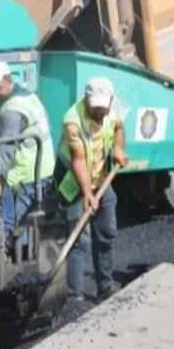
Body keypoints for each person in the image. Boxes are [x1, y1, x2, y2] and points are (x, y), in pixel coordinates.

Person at [57, 77, 128, 302]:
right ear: (86, 100)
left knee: (106, 233)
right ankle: (74, 297)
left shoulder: (112, 109)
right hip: (74, 182)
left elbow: (118, 127)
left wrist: (118, 148)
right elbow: (78, 159)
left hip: (101, 178)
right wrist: (87, 192)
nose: (100, 111)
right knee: (79, 239)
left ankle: (105, 288)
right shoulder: (72, 120)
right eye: (95, 106)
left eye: (103, 107)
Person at [0, 61, 54, 258]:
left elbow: (6, 149)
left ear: (8, 80)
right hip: (42, 168)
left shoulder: (12, 109)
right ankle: (22, 257)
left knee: (7, 223)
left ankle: (5, 266)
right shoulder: (25, 94)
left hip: (25, 174)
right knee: (22, 220)